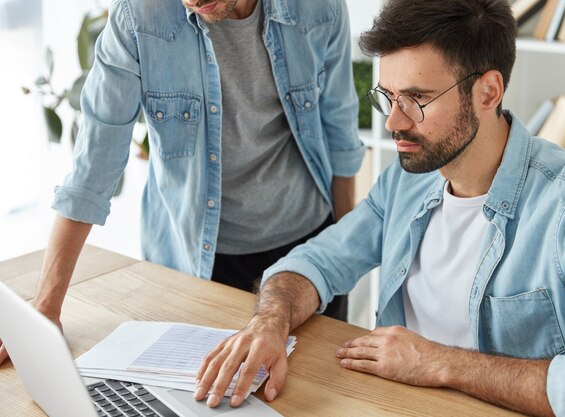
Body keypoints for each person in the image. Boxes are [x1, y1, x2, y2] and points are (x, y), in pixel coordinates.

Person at [191, 0, 565, 416]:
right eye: (388, 97)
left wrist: (439, 363)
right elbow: (317, 261)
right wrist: (269, 322)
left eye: (417, 100)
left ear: (488, 92)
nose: (393, 122)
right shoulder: (408, 178)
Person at [0, 0, 365, 364]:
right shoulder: (137, 18)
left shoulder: (318, 7)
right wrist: (45, 309)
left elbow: (341, 133)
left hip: (306, 252)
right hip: (199, 263)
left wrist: (341, 247)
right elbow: (93, 168)